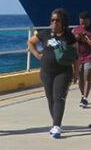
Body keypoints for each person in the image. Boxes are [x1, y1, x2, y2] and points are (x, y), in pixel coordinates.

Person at [27, 8, 78, 138]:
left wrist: (76, 72)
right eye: (52, 20)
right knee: (50, 98)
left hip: (63, 71)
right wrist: (37, 54)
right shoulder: (44, 34)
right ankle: (55, 123)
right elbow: (31, 42)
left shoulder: (69, 36)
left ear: (63, 22)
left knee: (59, 97)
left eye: (57, 20)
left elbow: (75, 56)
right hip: (46, 72)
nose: (54, 22)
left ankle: (56, 126)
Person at [72, 11, 91, 108]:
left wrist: (88, 40)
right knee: (81, 78)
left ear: (89, 21)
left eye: (85, 22)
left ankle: (85, 98)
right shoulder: (76, 30)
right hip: (79, 57)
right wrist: (76, 38)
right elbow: (70, 42)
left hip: (90, 56)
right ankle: (82, 95)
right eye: (81, 22)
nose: (83, 24)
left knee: (87, 75)